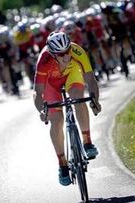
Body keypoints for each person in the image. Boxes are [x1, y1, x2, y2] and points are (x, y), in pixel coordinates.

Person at [33, 32, 102, 186]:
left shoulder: (77, 51)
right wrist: (42, 111)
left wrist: (95, 101)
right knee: (56, 121)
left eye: (67, 51)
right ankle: (62, 164)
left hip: (72, 74)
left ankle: (87, 141)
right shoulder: (44, 60)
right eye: (60, 54)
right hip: (51, 84)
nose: (66, 56)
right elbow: (37, 92)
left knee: (78, 98)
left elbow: (90, 79)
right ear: (52, 53)